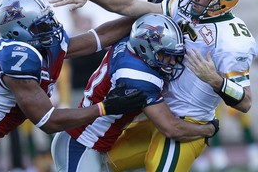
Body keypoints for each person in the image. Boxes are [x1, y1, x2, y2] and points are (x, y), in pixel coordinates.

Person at [48, 0, 257, 171]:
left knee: (155, 166)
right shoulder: (139, 72)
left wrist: (216, 81)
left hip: (189, 119)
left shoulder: (233, 42)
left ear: (222, 3)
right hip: (160, 114)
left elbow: (245, 102)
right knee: (106, 161)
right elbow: (131, 6)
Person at [0, 0, 147, 164]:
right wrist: (105, 107)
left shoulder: (40, 45)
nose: (51, 27)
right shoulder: (16, 58)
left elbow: (97, 38)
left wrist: (141, 18)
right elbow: (48, 121)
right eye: (41, 25)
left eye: (48, 20)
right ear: (18, 32)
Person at [51, 13, 218, 172]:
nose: (172, 62)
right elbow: (171, 128)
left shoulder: (127, 43)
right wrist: (208, 130)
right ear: (145, 48)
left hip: (91, 142)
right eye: (165, 55)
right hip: (80, 145)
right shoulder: (138, 77)